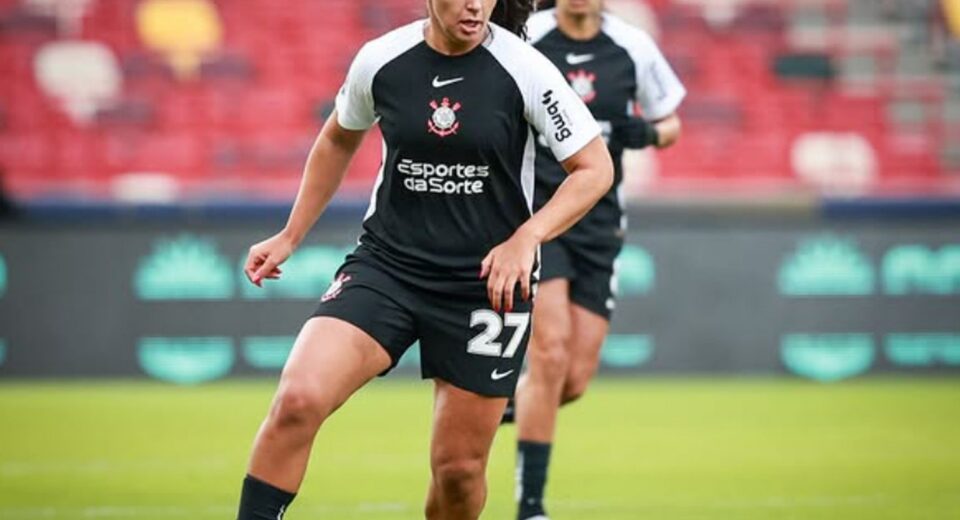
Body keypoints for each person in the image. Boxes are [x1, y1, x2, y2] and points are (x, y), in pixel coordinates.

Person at [234, 1, 614, 519]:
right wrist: (290, 234)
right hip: (388, 269)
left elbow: (594, 168)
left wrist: (528, 238)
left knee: (458, 473)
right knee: (298, 400)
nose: (477, 5)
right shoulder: (382, 60)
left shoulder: (525, 69)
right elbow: (338, 137)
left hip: (483, 288)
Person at [509, 2, 685, 519]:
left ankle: (505, 403)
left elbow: (670, 121)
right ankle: (531, 507)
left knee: (573, 379)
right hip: (541, 215)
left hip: (601, 224)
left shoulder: (632, 47)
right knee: (551, 351)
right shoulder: (528, 39)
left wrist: (649, 135)